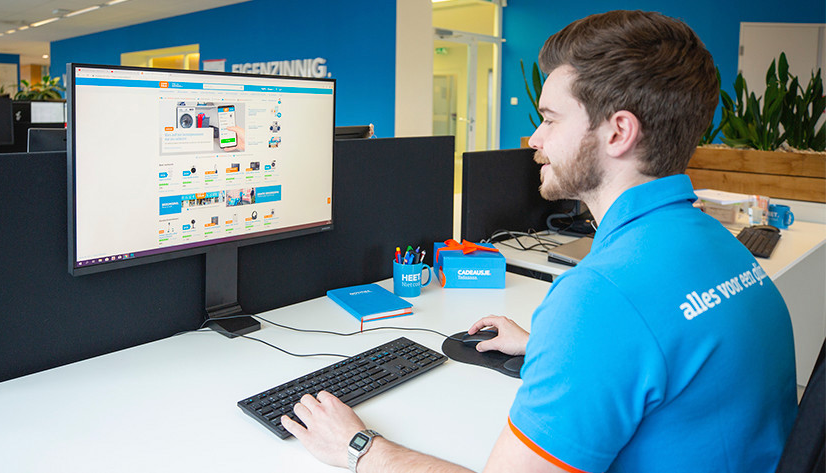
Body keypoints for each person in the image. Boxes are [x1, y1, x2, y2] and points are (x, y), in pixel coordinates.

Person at [280, 10, 798, 473]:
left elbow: (624, 322)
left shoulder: (604, 298)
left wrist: (360, 447)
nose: (534, 138)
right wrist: (555, 347)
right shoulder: (718, 243)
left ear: (618, 132)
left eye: (550, 119)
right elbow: (672, 347)